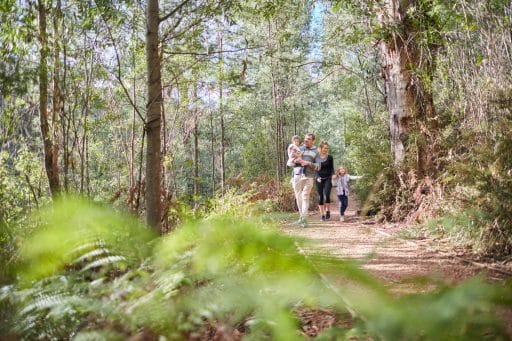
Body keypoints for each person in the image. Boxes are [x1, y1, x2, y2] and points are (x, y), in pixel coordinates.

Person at [291, 133, 321, 227]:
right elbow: (292, 159)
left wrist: (308, 163)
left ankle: (304, 219)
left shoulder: (316, 151)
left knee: (305, 196)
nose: (306, 140)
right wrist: (294, 161)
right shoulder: (298, 148)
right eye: (305, 139)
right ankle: (301, 218)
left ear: (313, 140)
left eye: (308, 139)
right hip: (296, 175)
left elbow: (318, 167)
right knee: (298, 197)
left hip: (309, 177)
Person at [315, 141, 334, 221]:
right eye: (325, 148)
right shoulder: (316, 158)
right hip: (319, 179)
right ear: (320, 148)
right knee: (320, 196)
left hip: (328, 178)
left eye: (327, 148)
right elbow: (315, 169)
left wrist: (333, 175)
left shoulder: (330, 157)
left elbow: (332, 168)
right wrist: (317, 177)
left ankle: (328, 211)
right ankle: (322, 215)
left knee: (326, 195)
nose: (326, 149)